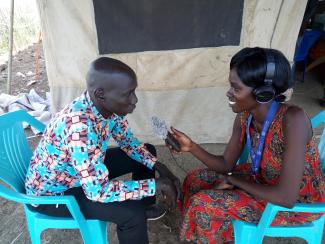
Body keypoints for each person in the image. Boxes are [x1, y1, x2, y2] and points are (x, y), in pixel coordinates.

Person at [169, 47, 325, 243]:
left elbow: (287, 197)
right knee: (194, 179)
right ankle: (211, 236)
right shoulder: (245, 116)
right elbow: (226, 164)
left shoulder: (292, 120)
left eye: (236, 88)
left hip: (297, 203)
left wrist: (233, 180)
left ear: (263, 93)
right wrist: (191, 147)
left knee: (204, 203)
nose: (229, 93)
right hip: (261, 179)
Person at [25, 57, 180, 244]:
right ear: (100, 94)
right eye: (128, 94)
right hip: (55, 194)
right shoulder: (80, 128)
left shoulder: (105, 108)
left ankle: (144, 205)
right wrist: (156, 184)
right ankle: (138, 213)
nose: (135, 100)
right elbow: (97, 191)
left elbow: (128, 142)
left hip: (79, 171)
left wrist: (160, 167)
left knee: (147, 151)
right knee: (132, 215)